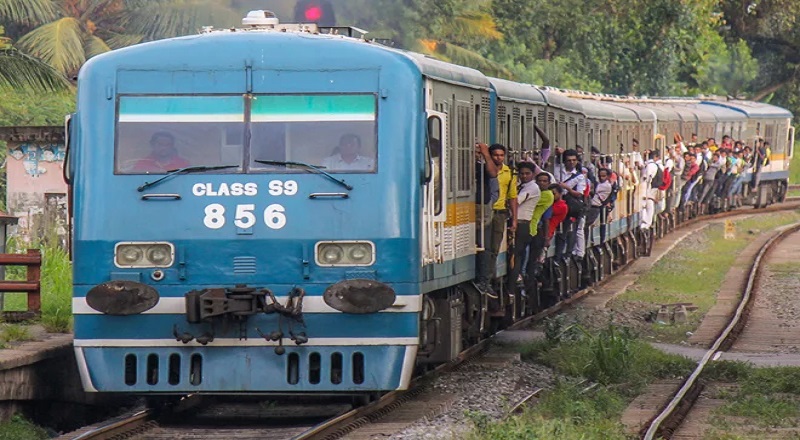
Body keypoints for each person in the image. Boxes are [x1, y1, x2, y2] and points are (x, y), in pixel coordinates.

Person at [507, 162, 540, 299]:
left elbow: (516, 201)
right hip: (520, 224)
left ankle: (511, 288)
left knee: (516, 257)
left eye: (527, 173)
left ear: (533, 174)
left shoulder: (532, 188)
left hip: (522, 225)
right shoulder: (523, 186)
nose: (524, 176)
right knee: (515, 256)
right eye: (522, 173)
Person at [488, 144, 518, 280]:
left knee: (495, 245)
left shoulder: (509, 172)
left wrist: (514, 219)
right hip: (485, 210)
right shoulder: (486, 169)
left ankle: (490, 275)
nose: (498, 158)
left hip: (499, 212)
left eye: (501, 155)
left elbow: (512, 197)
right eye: (495, 155)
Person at [475, 143, 498, 294]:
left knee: (484, 243)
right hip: (473, 207)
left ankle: (484, 280)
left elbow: (493, 173)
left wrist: (485, 155)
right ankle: (483, 279)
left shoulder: (482, 166)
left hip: (481, 208)